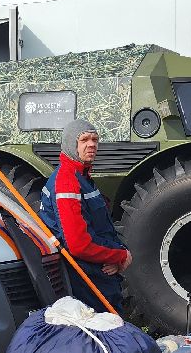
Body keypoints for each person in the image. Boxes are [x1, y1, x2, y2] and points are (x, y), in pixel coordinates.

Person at [39, 118, 132, 313]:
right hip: (89, 280)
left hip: (97, 273)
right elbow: (78, 244)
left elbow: (99, 227)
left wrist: (118, 256)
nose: (92, 145)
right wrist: (120, 255)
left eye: (95, 139)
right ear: (71, 144)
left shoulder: (81, 177)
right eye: (84, 140)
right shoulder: (67, 181)